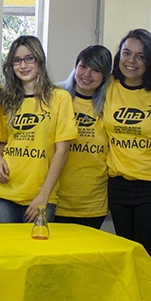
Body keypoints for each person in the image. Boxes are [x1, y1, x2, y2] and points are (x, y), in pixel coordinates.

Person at [102, 28, 151, 263]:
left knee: (146, 258)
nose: (131, 61)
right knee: (126, 256)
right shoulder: (109, 85)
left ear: (150, 60)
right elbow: (72, 83)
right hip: (118, 186)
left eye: (140, 56)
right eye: (126, 53)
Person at [0, 36, 76, 223]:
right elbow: (2, 142)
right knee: (7, 252)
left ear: (39, 60)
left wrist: (43, 196)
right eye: (17, 60)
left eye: (29, 58)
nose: (23, 65)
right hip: (4, 193)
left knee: (37, 251)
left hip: (41, 194)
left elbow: (62, 150)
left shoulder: (60, 98)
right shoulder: (7, 100)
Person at [50, 45, 112, 228]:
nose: (87, 74)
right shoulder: (56, 97)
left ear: (104, 77)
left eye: (96, 70)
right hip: (56, 200)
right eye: (83, 66)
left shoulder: (109, 105)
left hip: (92, 204)